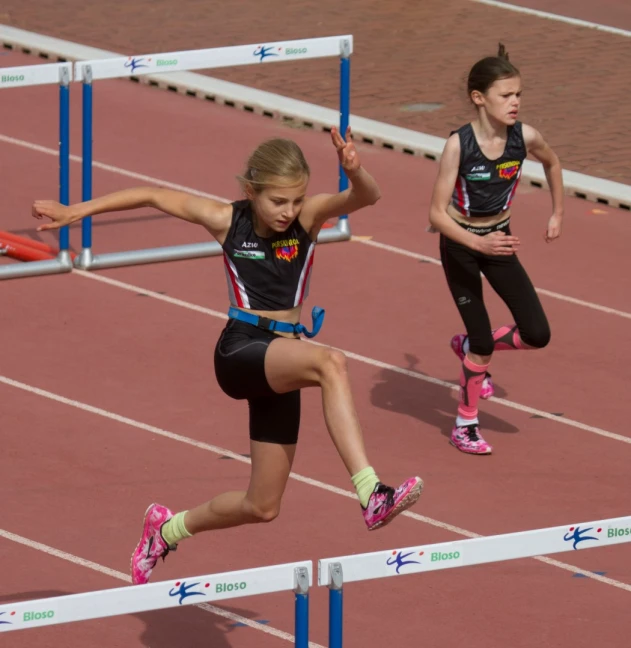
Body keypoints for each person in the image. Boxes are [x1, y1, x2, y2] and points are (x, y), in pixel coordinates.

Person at [32, 127, 423, 585]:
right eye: (278, 201)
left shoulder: (308, 219)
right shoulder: (226, 220)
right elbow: (154, 196)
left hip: (282, 359)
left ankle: (166, 529)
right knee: (330, 362)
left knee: (263, 506)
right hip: (241, 350)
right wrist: (75, 211)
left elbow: (368, 197)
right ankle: (370, 492)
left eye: (296, 200)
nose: (289, 211)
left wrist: (356, 173)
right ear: (251, 191)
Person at [428, 43, 564, 455]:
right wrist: (474, 241)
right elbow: (436, 213)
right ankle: (464, 424)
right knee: (484, 343)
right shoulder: (458, 145)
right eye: (506, 95)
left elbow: (553, 163)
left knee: (537, 334)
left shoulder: (525, 137)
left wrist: (558, 212)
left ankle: (468, 346)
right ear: (479, 99)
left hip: (499, 240)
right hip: (461, 245)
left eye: (519, 94)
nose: (515, 103)